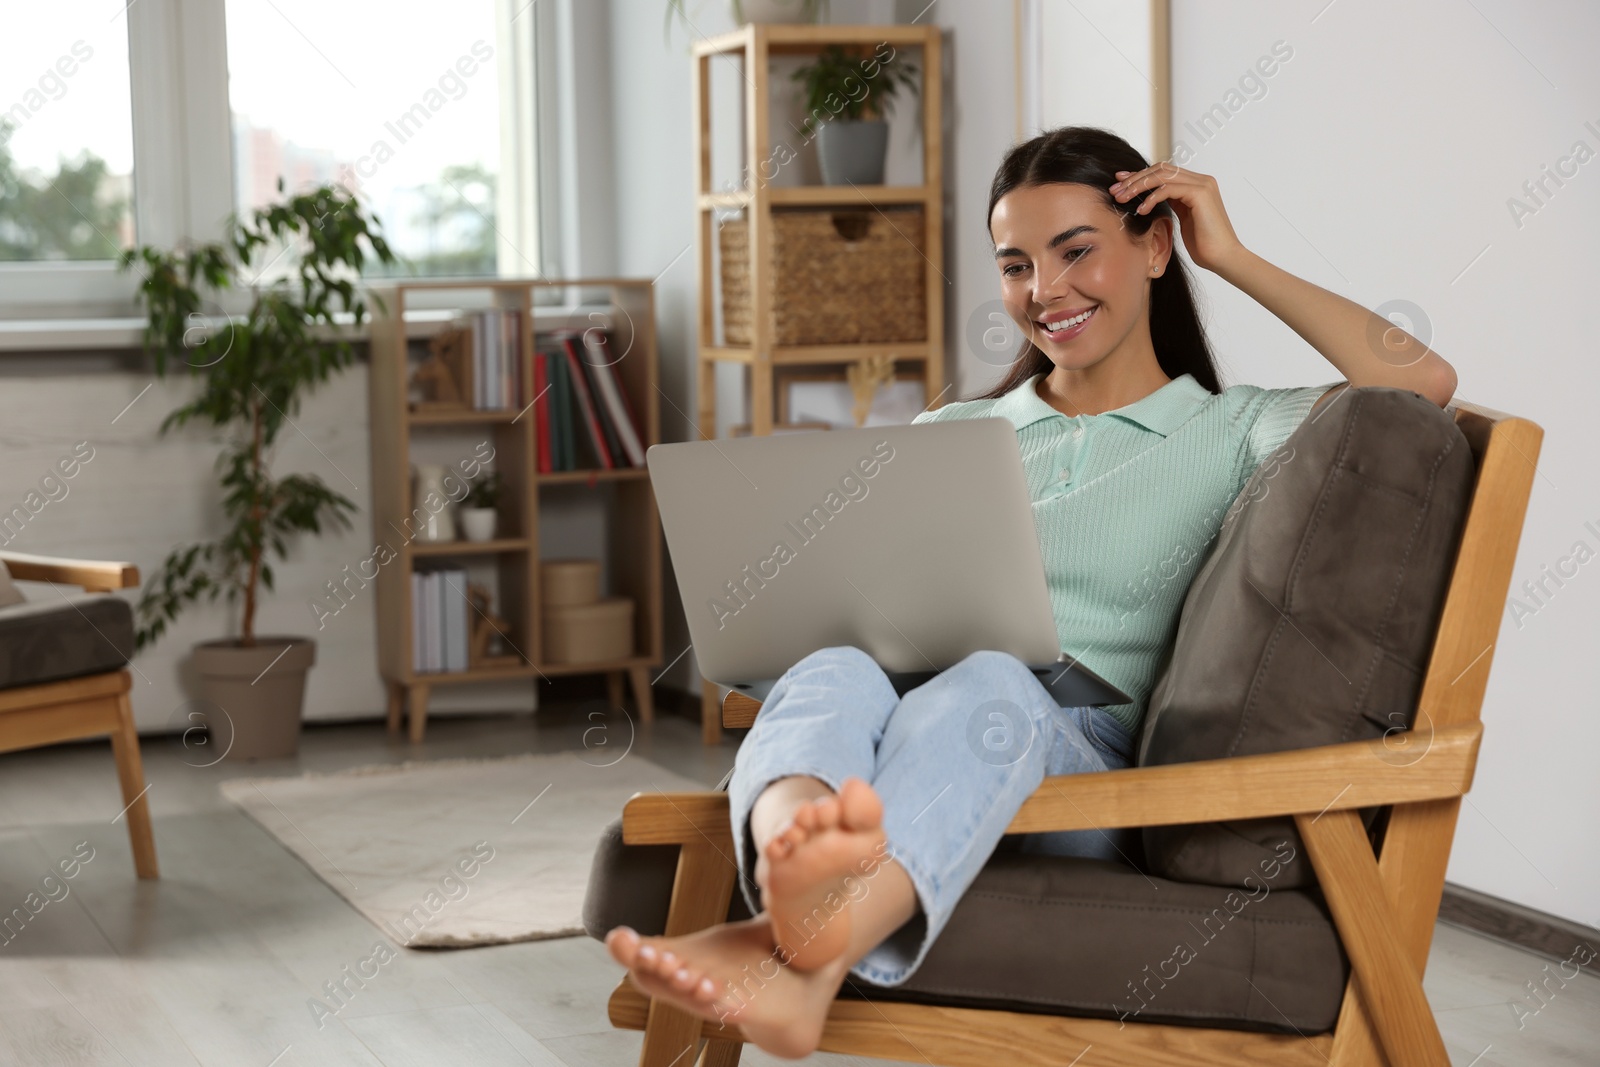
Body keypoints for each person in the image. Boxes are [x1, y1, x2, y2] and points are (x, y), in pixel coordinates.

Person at [604, 125, 1457, 1059]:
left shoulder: (1233, 428)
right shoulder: (955, 428)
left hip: (1081, 779)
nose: (1044, 291)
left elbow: (1422, 384)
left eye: (1076, 251)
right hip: (913, 740)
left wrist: (1235, 255)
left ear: (1157, 246)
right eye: (1016, 265)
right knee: (836, 662)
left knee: (994, 680)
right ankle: (794, 887)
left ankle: (795, 951)